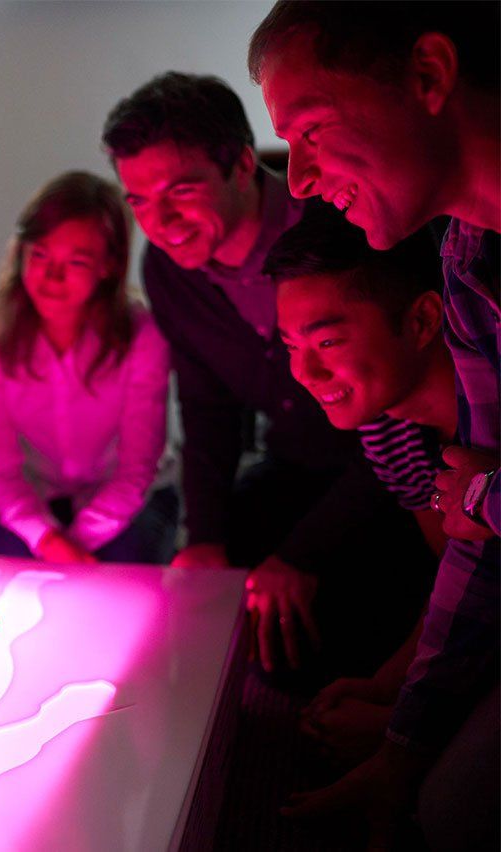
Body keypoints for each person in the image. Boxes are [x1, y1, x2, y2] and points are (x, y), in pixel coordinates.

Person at [250, 3, 499, 847]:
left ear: (429, 76)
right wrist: (403, 733)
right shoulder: (468, 260)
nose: (300, 179)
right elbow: (470, 545)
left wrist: (489, 496)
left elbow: (479, 498)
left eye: (312, 130)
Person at [101, 72, 432, 679]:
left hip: (397, 474)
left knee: (334, 632)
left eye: (181, 190)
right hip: (293, 463)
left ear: (244, 163)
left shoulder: (340, 228)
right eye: (140, 201)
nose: (161, 220)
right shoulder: (171, 271)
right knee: (196, 596)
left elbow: (406, 423)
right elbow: (206, 410)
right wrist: (203, 539)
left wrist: (301, 555)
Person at [267, 209, 455, 767]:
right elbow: (460, 575)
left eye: (326, 343)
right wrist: (387, 684)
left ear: (421, 321)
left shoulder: (483, 416)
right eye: (291, 346)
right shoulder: (389, 426)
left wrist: (404, 722)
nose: (305, 373)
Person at [0, 171, 174, 565]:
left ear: (108, 265)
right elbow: (0, 470)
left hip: (133, 500)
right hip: (39, 497)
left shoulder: (142, 336)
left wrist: (78, 541)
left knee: (125, 590)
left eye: (76, 261)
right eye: (40, 255)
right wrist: (46, 538)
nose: (52, 277)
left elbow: (137, 469)